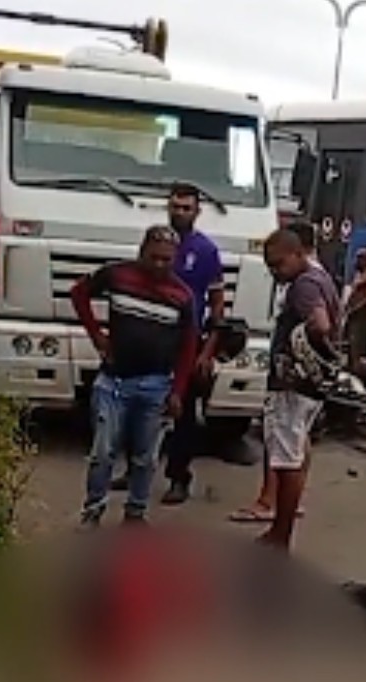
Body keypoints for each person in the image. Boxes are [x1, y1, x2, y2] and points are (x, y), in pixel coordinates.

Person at [69, 226, 200, 526]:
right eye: (154, 258)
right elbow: (79, 292)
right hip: (114, 380)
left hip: (156, 384)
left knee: (146, 456)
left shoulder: (181, 296)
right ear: (141, 252)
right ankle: (93, 510)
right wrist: (97, 336)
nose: (159, 265)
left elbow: (188, 347)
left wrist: (178, 391)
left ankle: (136, 513)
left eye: (167, 260)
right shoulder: (118, 276)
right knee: (103, 450)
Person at [246, 228, 339, 549]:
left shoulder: (304, 286)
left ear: (299, 254)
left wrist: (300, 342)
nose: (275, 272)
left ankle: (280, 534)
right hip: (308, 384)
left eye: (279, 264)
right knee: (294, 452)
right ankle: (280, 530)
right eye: (269, 266)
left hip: (293, 385)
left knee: (286, 461)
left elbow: (321, 324)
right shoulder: (320, 277)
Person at [157, 184, 227, 506]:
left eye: (186, 208)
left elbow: (216, 303)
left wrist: (208, 350)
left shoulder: (206, 251)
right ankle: (134, 470)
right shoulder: (156, 244)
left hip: (189, 340)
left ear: (197, 211)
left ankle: (179, 478)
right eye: (175, 206)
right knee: (140, 405)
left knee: (183, 413)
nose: (180, 212)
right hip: (153, 335)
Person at [344, 248, 366, 364]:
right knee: (348, 348)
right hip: (353, 317)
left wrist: (355, 308)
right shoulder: (358, 274)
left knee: (356, 351)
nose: (357, 261)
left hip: (362, 317)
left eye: (360, 258)